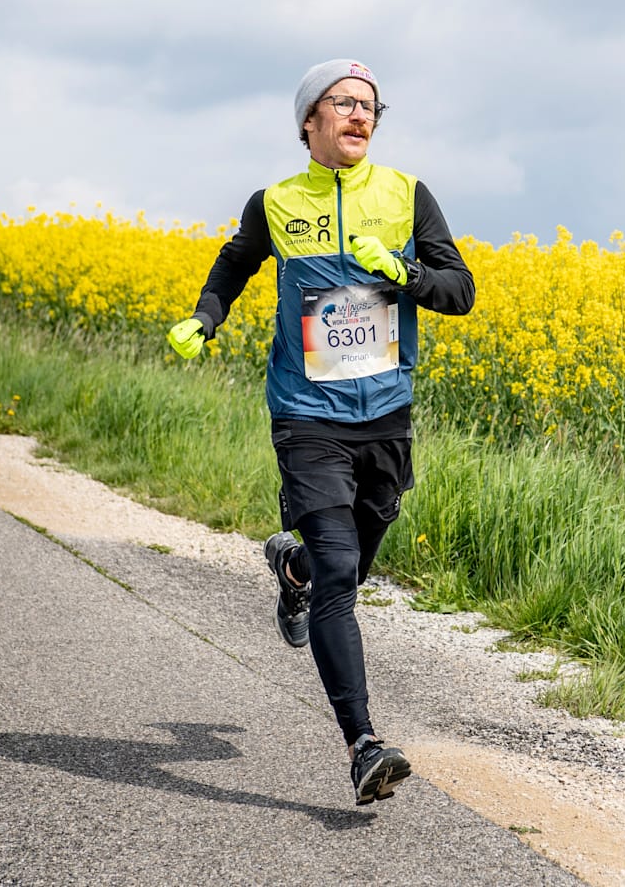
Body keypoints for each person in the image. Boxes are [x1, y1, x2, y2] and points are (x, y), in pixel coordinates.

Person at [165, 59, 476, 805]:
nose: (360, 116)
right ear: (310, 121)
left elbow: (459, 292)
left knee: (349, 561)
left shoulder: (406, 196)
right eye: (343, 104)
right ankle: (363, 744)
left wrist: (401, 271)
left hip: (385, 418)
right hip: (306, 417)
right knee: (344, 572)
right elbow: (235, 264)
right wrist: (206, 318)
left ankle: (294, 571)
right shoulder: (275, 203)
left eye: (370, 106)